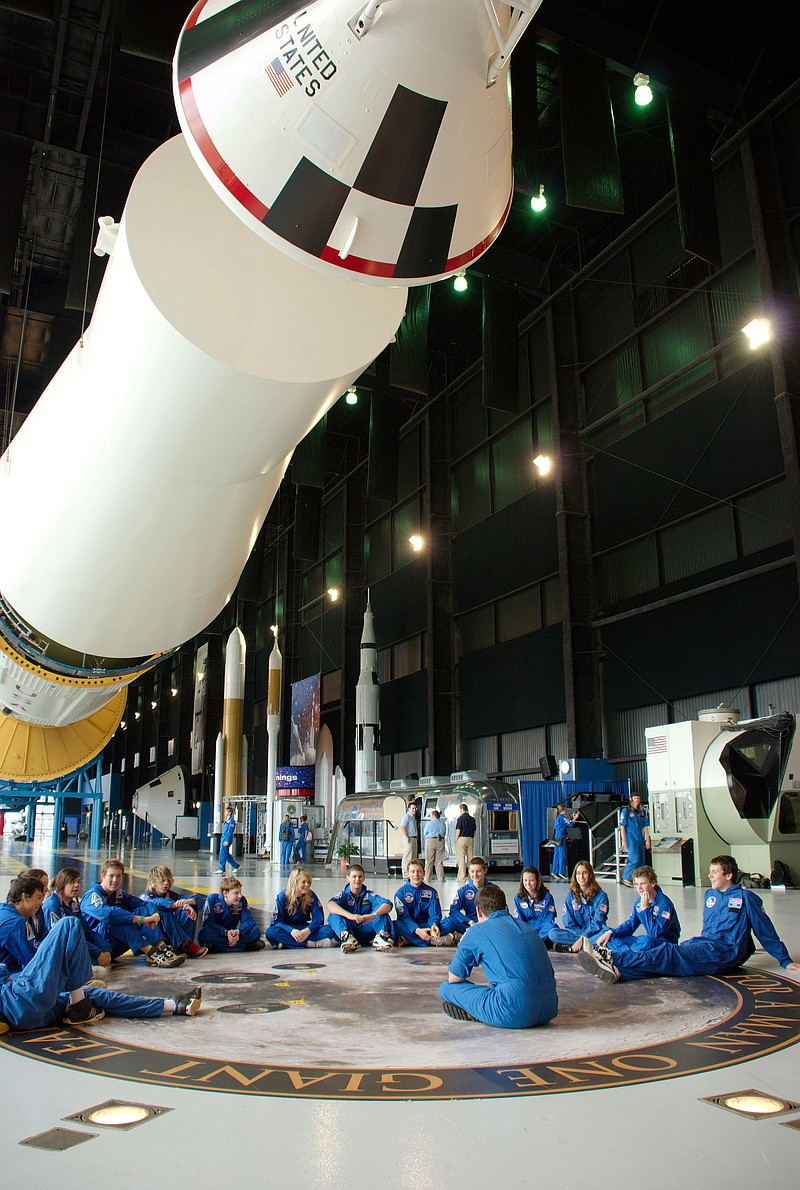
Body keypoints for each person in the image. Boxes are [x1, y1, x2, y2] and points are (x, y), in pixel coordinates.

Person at [579, 854, 800, 984]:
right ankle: (620, 972)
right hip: (704, 944)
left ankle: (614, 959)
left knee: (667, 952)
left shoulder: (745, 898)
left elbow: (765, 930)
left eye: (715, 872)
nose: (710, 876)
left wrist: (784, 960)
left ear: (729, 875)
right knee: (668, 959)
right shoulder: (710, 895)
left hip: (723, 951)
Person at [0, 916, 201, 1030]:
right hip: (18, 1000)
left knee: (95, 996)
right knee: (68, 925)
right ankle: (78, 1001)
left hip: (32, 1014)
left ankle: (173, 1005)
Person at [439, 885, 558, 1029]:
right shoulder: (526, 927)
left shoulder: (477, 931)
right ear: (505, 907)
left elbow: (454, 977)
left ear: (478, 910)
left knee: (446, 988)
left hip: (515, 1012)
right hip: (549, 1009)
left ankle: (479, 1012)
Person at [80, 858, 186, 967]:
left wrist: (154, 915)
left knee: (142, 910)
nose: (115, 880)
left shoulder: (118, 894)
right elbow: (108, 915)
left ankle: (160, 946)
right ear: (102, 876)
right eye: (111, 876)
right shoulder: (92, 896)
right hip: (96, 948)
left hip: (113, 946)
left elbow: (145, 904)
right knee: (117, 918)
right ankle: (152, 952)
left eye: (119, 876)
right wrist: (141, 919)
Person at [43, 867, 112, 977]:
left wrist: (105, 948)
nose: (76, 885)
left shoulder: (73, 905)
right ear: (62, 884)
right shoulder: (52, 905)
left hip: (77, 945)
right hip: (60, 949)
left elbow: (87, 931)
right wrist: (97, 953)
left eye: (78, 882)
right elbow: (63, 938)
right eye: (72, 882)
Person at [594, 865, 680, 954]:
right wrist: (611, 932)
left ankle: (619, 955)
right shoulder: (639, 902)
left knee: (647, 943)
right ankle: (625, 955)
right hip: (647, 940)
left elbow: (655, 934)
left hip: (664, 944)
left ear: (653, 883)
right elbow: (630, 925)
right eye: (637, 884)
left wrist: (645, 910)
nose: (639, 888)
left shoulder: (665, 905)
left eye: (643, 884)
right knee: (609, 937)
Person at [141, 865, 208, 958]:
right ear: (153, 883)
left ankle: (184, 945)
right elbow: (156, 903)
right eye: (162, 881)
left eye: (168, 881)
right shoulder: (145, 897)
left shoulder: (170, 895)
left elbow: (199, 899)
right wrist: (177, 905)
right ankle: (186, 945)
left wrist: (188, 903)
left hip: (172, 938)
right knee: (163, 910)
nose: (166, 884)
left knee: (189, 907)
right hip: (154, 938)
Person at [326, 863, 394, 953]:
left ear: (364, 878)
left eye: (360, 876)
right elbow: (330, 905)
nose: (357, 880)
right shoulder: (343, 895)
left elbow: (388, 904)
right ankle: (347, 939)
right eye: (354, 876)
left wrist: (373, 915)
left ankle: (380, 939)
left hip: (366, 928)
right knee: (333, 914)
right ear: (348, 878)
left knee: (382, 912)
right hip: (349, 929)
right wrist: (350, 916)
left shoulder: (369, 895)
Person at [266, 868, 337, 949]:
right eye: (303, 882)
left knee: (331, 930)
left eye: (308, 882)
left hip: (304, 928)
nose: (307, 885)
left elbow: (318, 919)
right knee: (271, 932)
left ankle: (288, 944)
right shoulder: (282, 897)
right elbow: (277, 921)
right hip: (288, 930)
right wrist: (291, 931)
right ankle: (309, 944)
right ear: (295, 883)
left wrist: (307, 931)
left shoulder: (311, 896)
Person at [548, 860, 609, 952]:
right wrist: (581, 937)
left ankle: (572, 948)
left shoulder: (601, 896)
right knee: (552, 933)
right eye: (578, 873)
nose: (581, 877)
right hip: (576, 934)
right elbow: (568, 923)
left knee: (606, 934)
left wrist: (584, 937)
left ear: (590, 875)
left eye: (585, 873)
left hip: (594, 933)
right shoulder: (570, 895)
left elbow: (598, 922)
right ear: (575, 876)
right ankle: (586, 947)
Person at [393, 858, 453, 947]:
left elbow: (435, 914)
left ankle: (410, 939)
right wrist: (417, 930)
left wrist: (434, 925)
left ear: (424, 873)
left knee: (449, 923)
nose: (416, 875)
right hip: (410, 927)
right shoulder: (400, 894)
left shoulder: (432, 892)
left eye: (419, 871)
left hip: (427, 926)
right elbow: (404, 917)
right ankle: (430, 940)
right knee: (395, 925)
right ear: (407, 874)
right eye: (412, 872)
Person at [198, 875, 265, 953]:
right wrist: (225, 932)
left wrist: (238, 932)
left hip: (234, 934)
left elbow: (248, 921)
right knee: (204, 933)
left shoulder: (242, 901)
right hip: (219, 933)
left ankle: (218, 947)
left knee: (255, 931)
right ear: (225, 893)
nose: (240, 896)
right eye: (236, 893)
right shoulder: (212, 899)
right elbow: (208, 923)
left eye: (240, 892)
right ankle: (244, 947)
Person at [440, 856, 496, 937]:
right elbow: (454, 910)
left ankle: (461, 936)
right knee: (448, 922)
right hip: (469, 924)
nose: (475, 874)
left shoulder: (493, 890)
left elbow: (503, 909)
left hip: (489, 925)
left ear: (485, 871)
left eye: (478, 871)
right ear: (469, 872)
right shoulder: (463, 891)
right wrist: (468, 921)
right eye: (472, 871)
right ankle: (431, 938)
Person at [513, 866, 557, 948]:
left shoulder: (547, 897)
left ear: (537, 881)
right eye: (525, 880)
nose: (528, 884)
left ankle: (536, 943)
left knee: (553, 930)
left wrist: (536, 935)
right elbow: (519, 920)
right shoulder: (518, 898)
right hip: (527, 932)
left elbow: (547, 920)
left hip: (543, 932)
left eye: (531, 880)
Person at [619, 793, 650, 885]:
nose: (636, 800)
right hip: (631, 838)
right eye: (635, 798)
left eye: (638, 798)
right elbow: (622, 827)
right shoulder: (626, 811)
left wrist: (647, 840)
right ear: (631, 799)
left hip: (639, 838)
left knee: (641, 861)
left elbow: (645, 826)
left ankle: (639, 880)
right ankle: (626, 877)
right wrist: (624, 840)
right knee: (634, 859)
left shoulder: (641, 812)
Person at [551, 803, 579, 881]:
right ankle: (561, 872)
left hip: (557, 837)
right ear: (562, 811)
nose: (566, 811)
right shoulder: (561, 818)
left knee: (556, 854)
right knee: (562, 854)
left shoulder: (557, 818)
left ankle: (554, 871)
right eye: (565, 810)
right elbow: (571, 824)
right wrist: (575, 818)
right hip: (561, 837)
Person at [454, 803, 476, 884]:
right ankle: (472, 876)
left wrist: (456, 839)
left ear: (462, 809)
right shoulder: (472, 819)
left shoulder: (460, 819)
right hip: (470, 838)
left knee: (461, 859)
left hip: (462, 839)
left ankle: (461, 877)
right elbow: (474, 830)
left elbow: (458, 830)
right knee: (470, 859)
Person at [423, 808, 446, 882]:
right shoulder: (442, 823)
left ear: (433, 815)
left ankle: (427, 877)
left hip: (430, 840)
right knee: (439, 861)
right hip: (440, 840)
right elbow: (444, 832)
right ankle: (441, 878)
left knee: (429, 860)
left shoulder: (429, 823)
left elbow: (425, 833)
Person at [217, 805, 240, 875]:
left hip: (227, 838)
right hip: (224, 838)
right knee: (226, 854)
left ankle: (221, 868)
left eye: (226, 811)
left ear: (230, 813)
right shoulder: (227, 820)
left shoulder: (231, 821)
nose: (225, 813)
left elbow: (230, 831)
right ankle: (235, 865)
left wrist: (227, 840)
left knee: (223, 853)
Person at [400, 800, 420, 877]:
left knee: (413, 857)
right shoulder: (407, 817)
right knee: (408, 856)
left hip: (414, 838)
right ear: (409, 809)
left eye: (415, 808)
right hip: (409, 838)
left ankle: (413, 872)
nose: (414, 810)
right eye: (412, 808)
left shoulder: (413, 817)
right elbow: (402, 827)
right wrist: (406, 837)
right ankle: (405, 873)